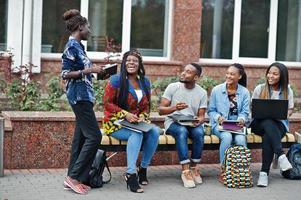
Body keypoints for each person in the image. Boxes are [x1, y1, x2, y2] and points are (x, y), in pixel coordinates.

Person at [102, 49, 160, 193]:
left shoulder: (145, 82)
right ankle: (130, 173)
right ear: (124, 63)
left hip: (134, 122)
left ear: (139, 64)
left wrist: (142, 117)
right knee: (137, 134)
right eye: (128, 60)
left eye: (134, 60)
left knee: (154, 132)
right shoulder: (116, 80)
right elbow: (107, 103)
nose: (131, 63)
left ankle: (143, 169)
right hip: (115, 123)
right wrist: (125, 114)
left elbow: (146, 106)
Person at [61, 9, 105, 195]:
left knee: (80, 139)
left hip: (84, 96)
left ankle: (72, 177)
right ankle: (73, 178)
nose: (90, 30)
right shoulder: (71, 46)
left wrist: (98, 72)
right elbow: (65, 73)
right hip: (78, 97)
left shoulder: (79, 47)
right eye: (88, 27)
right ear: (80, 27)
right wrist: (88, 71)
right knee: (95, 137)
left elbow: (83, 70)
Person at [159, 63, 207, 188]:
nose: (183, 73)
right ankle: (185, 171)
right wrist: (175, 108)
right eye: (184, 70)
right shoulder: (173, 87)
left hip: (191, 122)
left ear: (196, 77)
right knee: (182, 131)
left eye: (188, 72)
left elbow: (201, 115)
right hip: (173, 122)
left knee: (199, 132)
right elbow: (161, 110)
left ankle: (194, 168)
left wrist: (199, 120)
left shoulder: (202, 92)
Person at [250, 62, 294, 187]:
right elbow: (253, 108)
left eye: (275, 74)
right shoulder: (260, 88)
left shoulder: (287, 90)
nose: (270, 76)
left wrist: (284, 114)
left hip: (279, 125)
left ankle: (264, 174)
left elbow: (290, 109)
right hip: (259, 124)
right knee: (268, 121)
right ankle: (280, 154)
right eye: (269, 73)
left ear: (282, 76)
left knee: (268, 136)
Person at [207, 63, 250, 180]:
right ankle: (224, 170)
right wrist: (218, 118)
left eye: (232, 74)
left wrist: (241, 119)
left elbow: (245, 112)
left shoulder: (245, 92)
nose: (229, 76)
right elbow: (211, 111)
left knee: (241, 139)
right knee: (227, 137)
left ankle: (241, 171)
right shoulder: (217, 90)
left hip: (236, 125)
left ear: (239, 76)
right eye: (227, 73)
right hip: (220, 125)